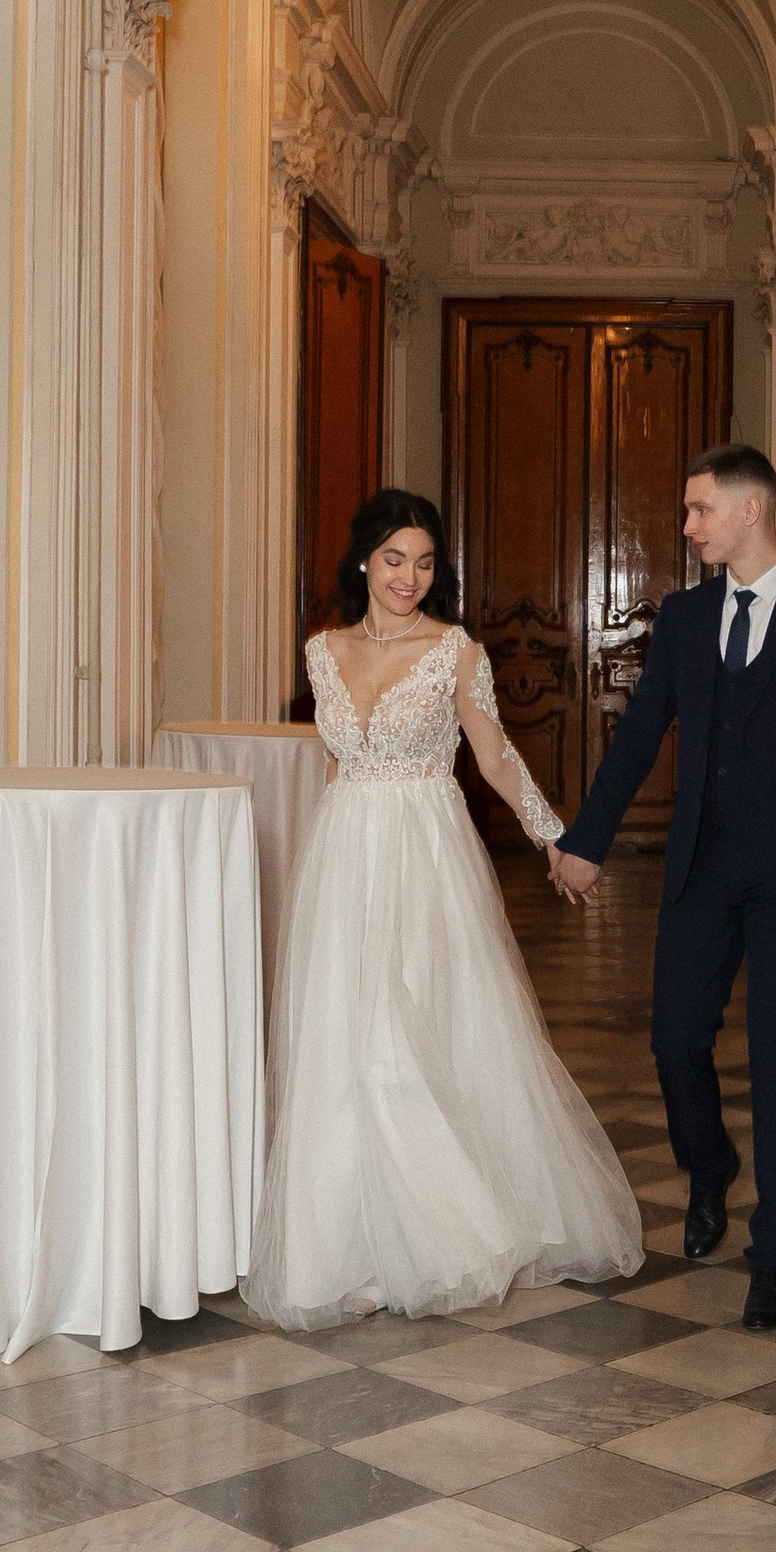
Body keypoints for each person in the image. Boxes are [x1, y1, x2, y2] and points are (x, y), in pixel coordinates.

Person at [245, 487, 643, 1332]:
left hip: (426, 856)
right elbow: (332, 768)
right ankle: (349, 1242)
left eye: (425, 563)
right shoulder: (323, 651)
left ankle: (435, 1242)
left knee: (406, 1036)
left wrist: (553, 839)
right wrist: (318, 869)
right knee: (343, 1043)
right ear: (364, 560)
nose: (409, 578)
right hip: (346, 852)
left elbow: (495, 755)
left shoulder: (455, 650)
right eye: (395, 560)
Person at [548, 443, 776, 1332]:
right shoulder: (688, 618)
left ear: (751, 510)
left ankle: (774, 1250)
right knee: (674, 1043)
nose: (690, 525)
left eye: (701, 509)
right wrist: (586, 840)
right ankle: (709, 1167)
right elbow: (637, 742)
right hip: (700, 869)